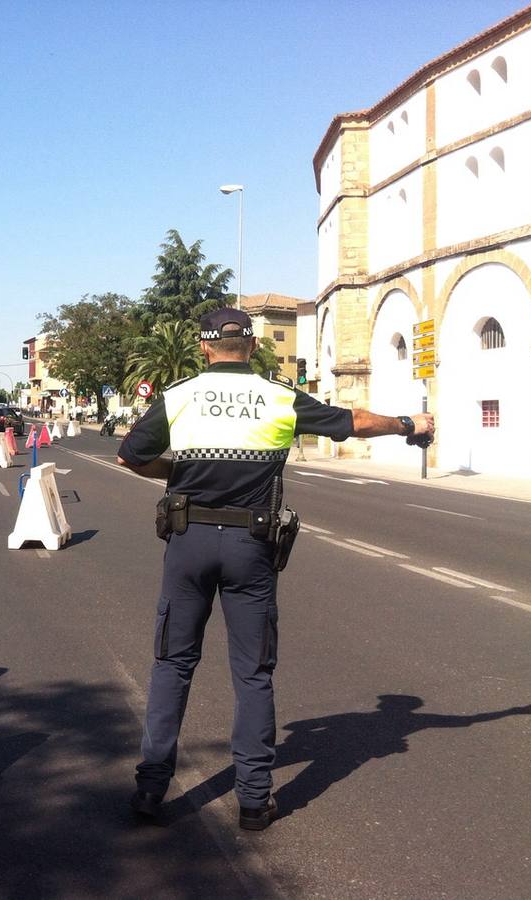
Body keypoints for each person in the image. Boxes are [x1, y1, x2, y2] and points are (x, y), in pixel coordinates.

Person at [117, 307, 435, 830]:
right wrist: (408, 424)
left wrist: (178, 470)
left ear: (204, 348)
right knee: (253, 670)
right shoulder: (278, 396)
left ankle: (151, 790)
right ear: (252, 347)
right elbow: (351, 422)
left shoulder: (179, 397)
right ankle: (254, 800)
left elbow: (130, 455)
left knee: (172, 663)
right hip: (251, 545)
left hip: (189, 541)